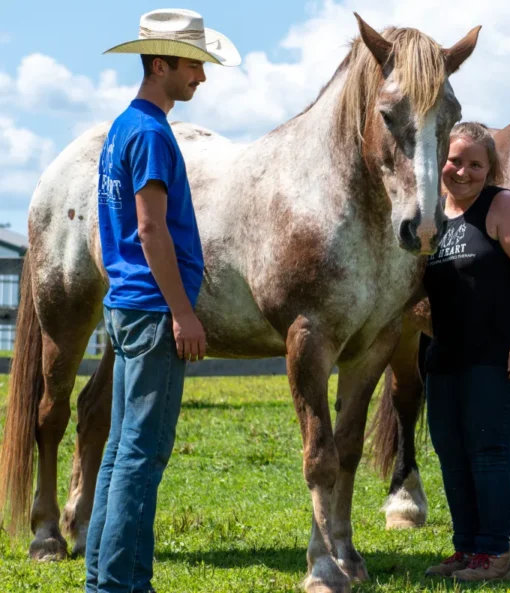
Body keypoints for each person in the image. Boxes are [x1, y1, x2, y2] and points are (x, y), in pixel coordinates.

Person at [85, 9, 241, 593]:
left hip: (128, 305)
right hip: (153, 310)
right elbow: (151, 230)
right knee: (141, 456)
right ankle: (121, 585)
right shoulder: (150, 133)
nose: (202, 77)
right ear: (161, 63)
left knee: (121, 452)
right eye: (195, 64)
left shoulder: (122, 128)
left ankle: (105, 577)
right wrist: (183, 311)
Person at [422, 122, 510, 582]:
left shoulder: (502, 206)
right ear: (440, 162)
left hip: (499, 353)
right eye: (455, 161)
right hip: (446, 355)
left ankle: (495, 553)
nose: (463, 171)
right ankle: (467, 549)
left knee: (488, 449)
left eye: (476, 164)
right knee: (451, 451)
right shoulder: (431, 214)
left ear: (490, 168)